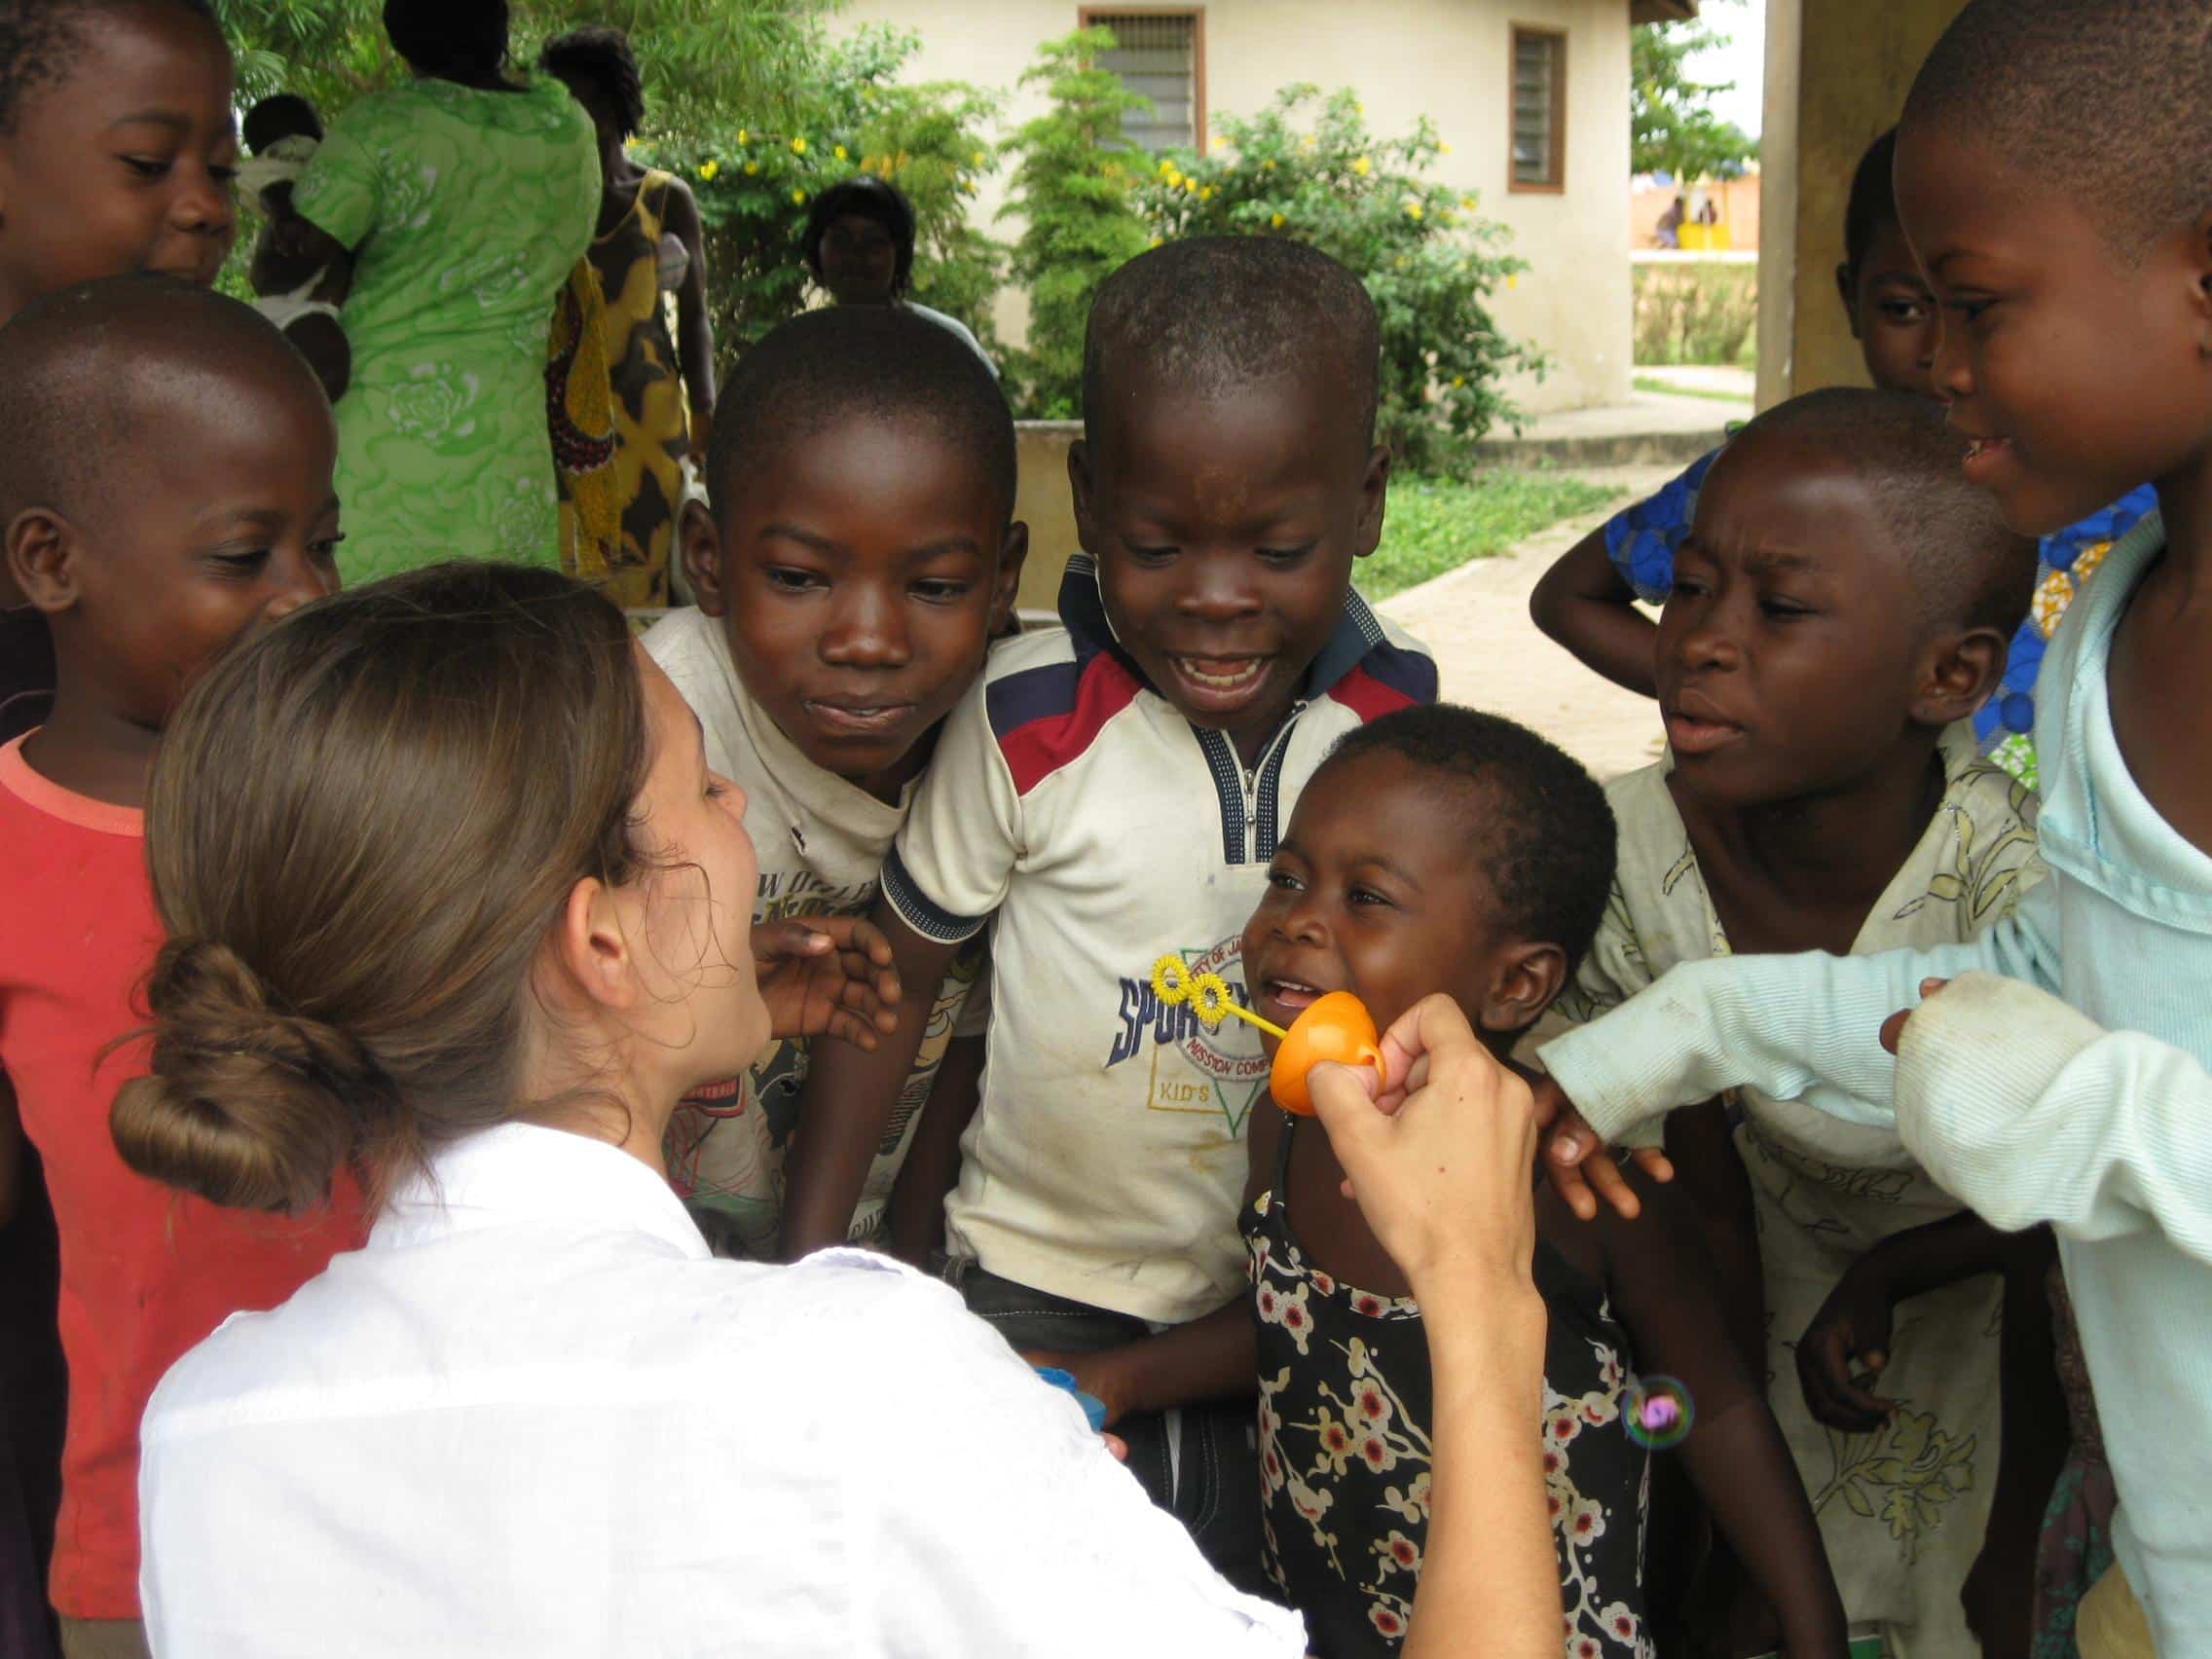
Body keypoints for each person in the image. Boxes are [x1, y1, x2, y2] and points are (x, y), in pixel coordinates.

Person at [125, 559, 1567, 1659]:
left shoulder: (208, 1435)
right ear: (603, 941)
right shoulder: (856, 1382)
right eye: (705, 789)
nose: (742, 821)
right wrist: (1479, 1297)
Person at [1538, 6, 2212, 1654]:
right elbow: (2050, 976)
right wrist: (1673, 1033)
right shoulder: (2111, 629)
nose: (1936, 362)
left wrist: (2088, 1107)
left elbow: (2080, 1066)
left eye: (1977, 305)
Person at [788, 237, 1435, 1586]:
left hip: (1291, 1298)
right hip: (1035, 1280)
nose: (1215, 596)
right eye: (1156, 545)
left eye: (1278, 548)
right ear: (1086, 499)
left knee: (1274, 1602)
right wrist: (808, 1264)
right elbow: (894, 986)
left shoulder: (1401, 728)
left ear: (1368, 500)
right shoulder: (1029, 719)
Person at [1531, 387, 2054, 1658]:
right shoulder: (1616, 858)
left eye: (1779, 608)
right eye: (1689, 589)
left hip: (1974, 1334)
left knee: (1963, 1608)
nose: (1700, 642)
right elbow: (1626, 1185)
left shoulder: (2005, 879)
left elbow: (2073, 1170)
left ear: (1949, 675)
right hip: (1712, 1333)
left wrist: (1894, 1273)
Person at [1234, 706, 1847, 1657]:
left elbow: (1716, 1406)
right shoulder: (1288, 1121)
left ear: (1516, 984)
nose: (1296, 920)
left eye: (1367, 897)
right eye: (1287, 878)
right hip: (1325, 1619)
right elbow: (1293, 1321)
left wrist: (1811, 1629)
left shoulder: (1577, 1184)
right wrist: (1121, 1378)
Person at [0, 277, 361, 1659]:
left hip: (405, 1496)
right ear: (52, 562)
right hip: (147, 1546)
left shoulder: (361, 801)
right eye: (244, 555)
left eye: (323, 545)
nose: (306, 595)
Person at [1530, 126, 2157, 790]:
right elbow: (1571, 598)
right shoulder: (1780, 475)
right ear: (1849, 298)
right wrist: (1740, 702)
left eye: (1983, 311)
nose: (1942, 354)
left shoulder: (2132, 497)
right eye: (1904, 308)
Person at [643, 306, 1022, 1257]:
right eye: (800, 578)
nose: (867, 641)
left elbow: (975, 1032)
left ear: (1003, 579)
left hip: (867, 1252)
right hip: (663, 1252)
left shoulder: (1015, 742)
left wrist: (905, 1266)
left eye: (934, 587)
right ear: (707, 558)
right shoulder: (650, 725)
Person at [261, 0, 598, 581]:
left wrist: (275, 190)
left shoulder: (383, 125)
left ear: (399, 35)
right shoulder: (569, 129)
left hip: (382, 441)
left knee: (370, 622)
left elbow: (286, 268)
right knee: (496, 619)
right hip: (509, 444)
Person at [540, 27, 716, 609]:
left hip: (648, 422)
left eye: (582, 100)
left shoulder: (665, 199)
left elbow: (695, 317)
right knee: (568, 580)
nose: (569, 116)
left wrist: (706, 413)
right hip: (559, 421)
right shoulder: (537, 204)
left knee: (648, 572)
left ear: (614, 106)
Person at [802, 174, 997, 376]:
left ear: (899, 254)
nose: (856, 254)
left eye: (874, 242)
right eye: (841, 240)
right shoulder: (800, 347)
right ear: (817, 250)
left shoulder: (947, 342)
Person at [237, 94, 350, 404]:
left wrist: (283, 215)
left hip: (296, 299)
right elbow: (277, 186)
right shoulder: (308, 158)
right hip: (307, 297)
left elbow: (275, 185)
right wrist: (283, 215)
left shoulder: (289, 168)